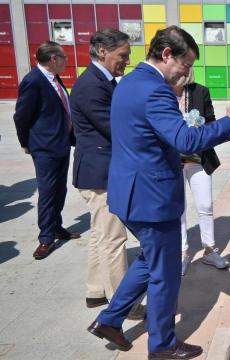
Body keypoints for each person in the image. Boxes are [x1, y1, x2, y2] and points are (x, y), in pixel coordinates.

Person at [86, 26, 230, 359]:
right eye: (185, 64)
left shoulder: (131, 82)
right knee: (164, 275)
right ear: (167, 55)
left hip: (130, 193)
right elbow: (187, 141)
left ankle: (109, 319)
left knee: (150, 259)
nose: (186, 72)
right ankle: (162, 345)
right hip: (152, 198)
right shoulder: (155, 91)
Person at [70, 29, 131, 308]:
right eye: (123, 55)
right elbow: (114, 127)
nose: (126, 61)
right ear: (103, 51)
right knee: (114, 239)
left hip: (98, 170)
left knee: (100, 234)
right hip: (100, 174)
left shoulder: (103, 81)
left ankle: (95, 290)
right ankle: (121, 301)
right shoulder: (92, 85)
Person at [13, 41, 80, 260]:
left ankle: (56, 226)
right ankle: (45, 238)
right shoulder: (33, 81)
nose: (66, 61)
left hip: (60, 144)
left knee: (59, 190)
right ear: (53, 58)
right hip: (45, 147)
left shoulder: (52, 77)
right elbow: (21, 116)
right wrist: (25, 143)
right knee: (48, 191)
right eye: (64, 58)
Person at [172, 67, 229, 276]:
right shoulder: (163, 92)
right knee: (178, 208)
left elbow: (212, 123)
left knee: (205, 204)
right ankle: (182, 253)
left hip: (198, 158)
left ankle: (209, 250)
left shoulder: (200, 92)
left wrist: (200, 125)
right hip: (172, 161)